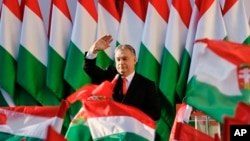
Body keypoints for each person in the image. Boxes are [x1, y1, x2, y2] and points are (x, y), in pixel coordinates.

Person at [83, 34, 161, 121]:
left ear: (134, 60)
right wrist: (93, 51)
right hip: (112, 130)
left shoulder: (146, 85)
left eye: (125, 59)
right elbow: (89, 68)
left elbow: (155, 113)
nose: (121, 63)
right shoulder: (110, 75)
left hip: (133, 131)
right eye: (118, 59)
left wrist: (131, 116)